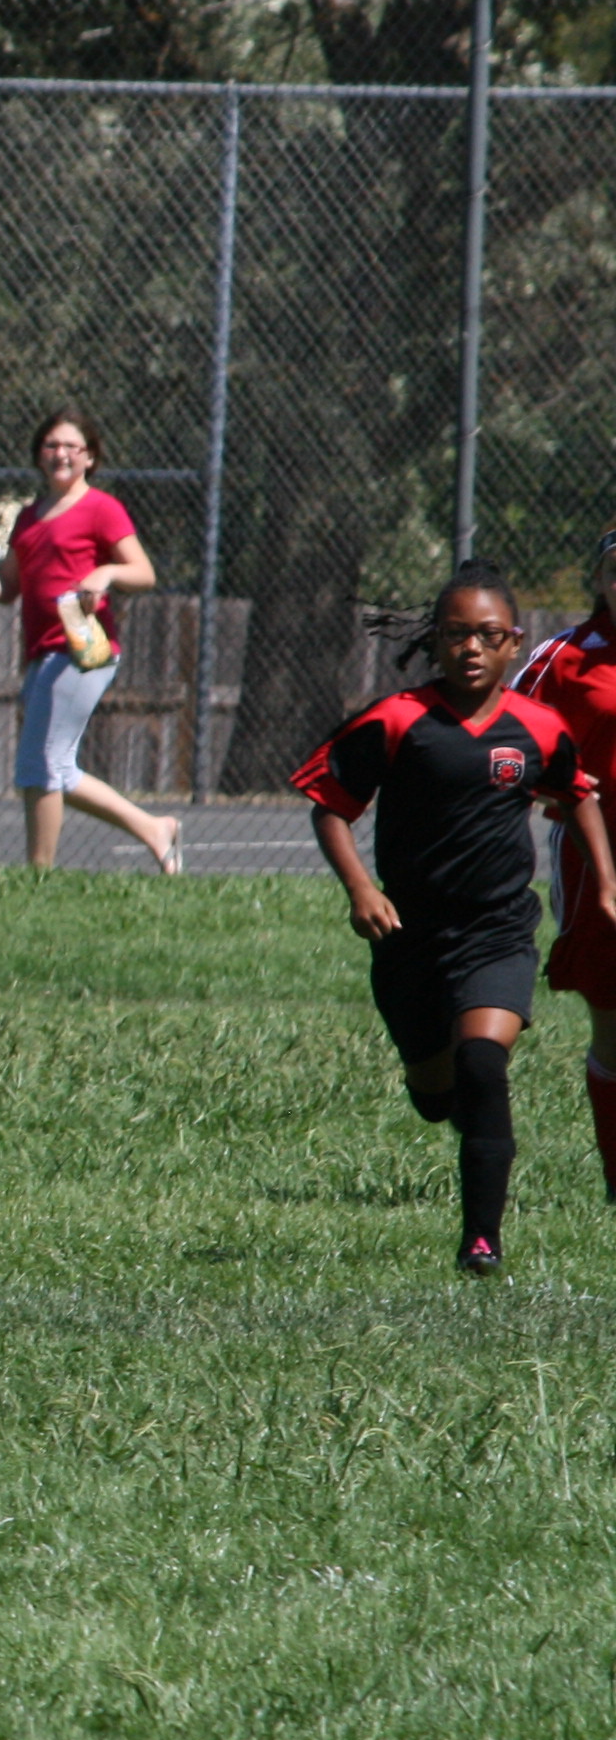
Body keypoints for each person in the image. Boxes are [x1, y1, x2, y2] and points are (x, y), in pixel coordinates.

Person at [295, 571, 616, 1276]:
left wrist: (605, 884)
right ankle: (443, 1096)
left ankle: (481, 1241)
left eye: (488, 635)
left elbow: (578, 795)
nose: (472, 647)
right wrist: (360, 889)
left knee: (482, 1063)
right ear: (436, 641)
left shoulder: (538, 727)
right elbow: (330, 804)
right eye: (457, 634)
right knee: (436, 1095)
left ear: (513, 644)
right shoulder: (397, 719)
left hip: (498, 931)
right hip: (409, 936)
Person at [0, 409, 179, 874]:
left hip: (82, 650)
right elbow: (7, 589)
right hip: (42, 654)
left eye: (71, 447)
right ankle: (154, 828)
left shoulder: (102, 508)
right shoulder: (28, 517)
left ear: (90, 457)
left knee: (38, 765)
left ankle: (39, 875)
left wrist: (106, 573)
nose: (60, 454)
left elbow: (143, 573)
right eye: (51, 445)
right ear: (39, 455)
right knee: (57, 768)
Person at [509, 529, 616, 1198]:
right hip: (595, 855)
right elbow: (505, 738)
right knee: (612, 1016)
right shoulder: (565, 658)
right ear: (600, 579)